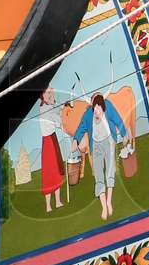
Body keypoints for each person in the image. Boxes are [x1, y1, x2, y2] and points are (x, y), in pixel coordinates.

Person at [73, 93, 131, 222]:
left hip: (109, 141)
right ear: (92, 105)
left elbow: (117, 119)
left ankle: (109, 201)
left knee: (110, 172)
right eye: (95, 105)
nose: (97, 108)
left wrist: (124, 134)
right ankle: (104, 207)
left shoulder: (108, 106)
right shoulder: (88, 115)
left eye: (99, 104)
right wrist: (75, 140)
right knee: (99, 176)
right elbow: (81, 127)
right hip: (96, 146)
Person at [37, 87, 65, 213]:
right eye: (48, 93)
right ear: (43, 95)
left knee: (55, 171)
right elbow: (56, 117)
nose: (50, 94)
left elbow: (56, 109)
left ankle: (57, 201)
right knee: (50, 172)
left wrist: (60, 106)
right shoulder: (45, 108)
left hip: (51, 140)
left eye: (51, 92)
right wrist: (61, 119)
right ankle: (49, 205)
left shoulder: (47, 107)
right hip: (49, 142)